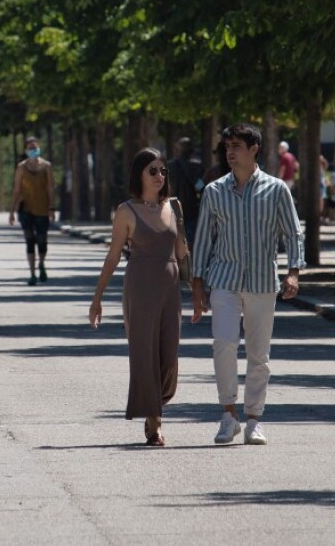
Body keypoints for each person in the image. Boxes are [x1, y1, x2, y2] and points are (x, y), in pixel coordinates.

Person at [191, 123, 305, 446]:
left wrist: (293, 271)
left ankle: (254, 419)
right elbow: (203, 241)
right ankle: (228, 415)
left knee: (258, 354)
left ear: (254, 148)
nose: (230, 152)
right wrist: (197, 284)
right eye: (227, 146)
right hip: (224, 280)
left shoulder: (276, 189)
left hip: (261, 281)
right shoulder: (214, 192)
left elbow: (293, 232)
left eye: (237, 145)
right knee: (224, 344)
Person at [89, 149, 189, 447]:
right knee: (145, 354)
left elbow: (183, 252)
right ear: (140, 175)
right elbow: (112, 257)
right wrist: (98, 298)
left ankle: (156, 405)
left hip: (170, 289)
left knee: (169, 356)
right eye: (153, 171)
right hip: (140, 288)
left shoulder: (175, 207)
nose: (160, 176)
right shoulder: (126, 211)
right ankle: (154, 422)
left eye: (162, 171)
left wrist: (198, 290)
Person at [9, 137, 55, 285]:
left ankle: (41, 263)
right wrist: (12, 211)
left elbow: (50, 188)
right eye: (30, 148)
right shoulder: (21, 167)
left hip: (42, 209)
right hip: (25, 209)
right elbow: (16, 190)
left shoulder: (46, 166)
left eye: (35, 147)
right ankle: (32, 273)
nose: (33, 150)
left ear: (39, 147)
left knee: (42, 240)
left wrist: (52, 207)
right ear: (26, 150)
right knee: (29, 241)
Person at [167, 137, 205, 246]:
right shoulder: (197, 167)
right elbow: (200, 187)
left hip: (172, 207)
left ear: (177, 149)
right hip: (191, 208)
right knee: (189, 243)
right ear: (191, 151)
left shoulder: (169, 166)